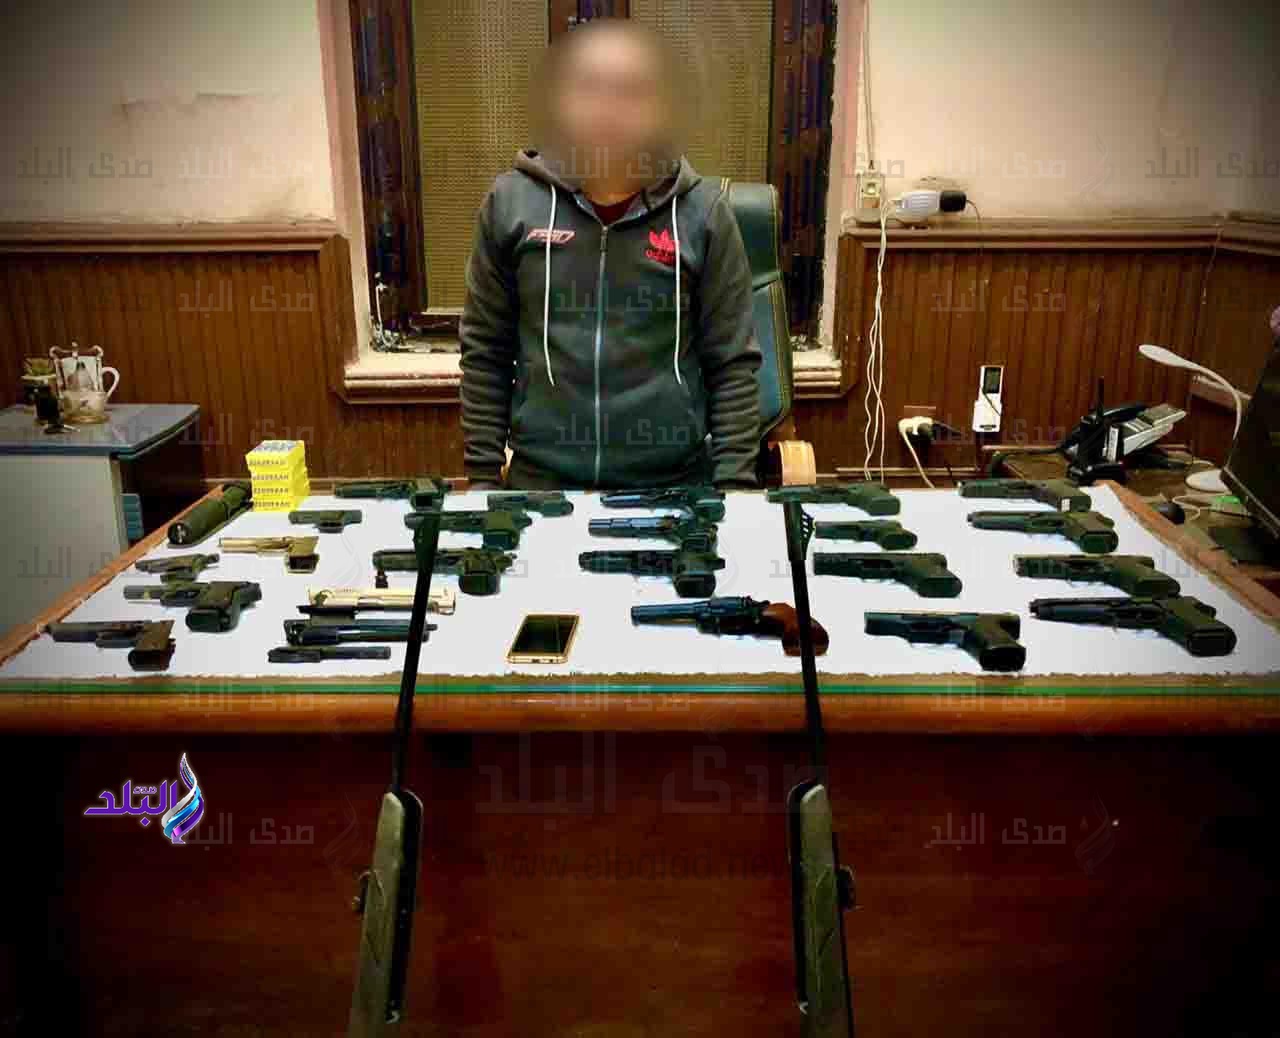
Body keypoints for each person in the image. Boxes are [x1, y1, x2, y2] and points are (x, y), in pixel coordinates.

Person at [460, 19, 762, 491]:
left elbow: (732, 365)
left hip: (674, 486)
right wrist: (482, 481)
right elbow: (485, 353)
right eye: (590, 89)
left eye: (631, 92)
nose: (608, 110)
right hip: (542, 485)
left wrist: (736, 490)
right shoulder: (511, 205)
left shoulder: (704, 214)